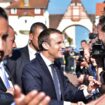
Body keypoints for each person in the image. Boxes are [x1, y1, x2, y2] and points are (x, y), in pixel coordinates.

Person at [22, 28, 101, 105]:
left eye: (63, 42)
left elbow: (70, 93)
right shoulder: (31, 69)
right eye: (58, 43)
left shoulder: (56, 67)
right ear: (45, 45)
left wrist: (88, 90)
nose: (63, 46)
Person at [0, 7, 50, 105]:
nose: (2, 47)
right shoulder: (14, 58)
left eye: (4, 37)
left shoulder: (4, 67)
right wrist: (10, 97)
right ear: (31, 36)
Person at [7, 22, 47, 88]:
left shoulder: (48, 58)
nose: (42, 42)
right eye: (40, 38)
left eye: (45, 39)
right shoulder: (15, 56)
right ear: (31, 36)